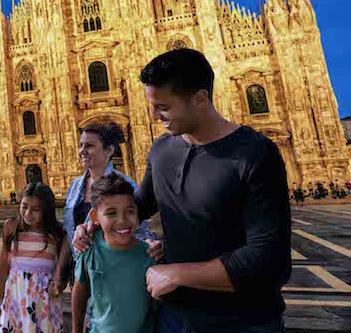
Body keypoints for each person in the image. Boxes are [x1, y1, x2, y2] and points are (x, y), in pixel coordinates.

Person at [72, 49, 291, 333]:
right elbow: (138, 206)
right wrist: (93, 225)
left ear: (199, 99)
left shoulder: (255, 154)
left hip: (243, 320)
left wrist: (177, 273)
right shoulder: (163, 150)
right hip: (174, 317)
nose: (153, 116)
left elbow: (269, 261)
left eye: (162, 107)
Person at [51, 123, 161, 297]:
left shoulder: (124, 185)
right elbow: (69, 233)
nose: (82, 151)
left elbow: (140, 233)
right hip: (81, 275)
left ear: (109, 151)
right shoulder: (75, 186)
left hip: (114, 276)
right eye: (81, 145)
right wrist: (59, 274)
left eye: (89, 146)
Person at [72, 173, 156, 333]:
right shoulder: (89, 248)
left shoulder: (149, 255)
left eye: (130, 211)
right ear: (95, 217)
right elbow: (80, 291)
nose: (122, 220)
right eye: (111, 213)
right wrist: (76, 329)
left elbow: (156, 308)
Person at [0, 182, 64, 333]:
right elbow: (2, 268)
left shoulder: (56, 233)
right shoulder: (11, 227)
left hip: (43, 305)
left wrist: (58, 284)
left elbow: (63, 270)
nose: (28, 214)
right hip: (15, 301)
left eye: (36, 209)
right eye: (24, 206)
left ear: (46, 210)